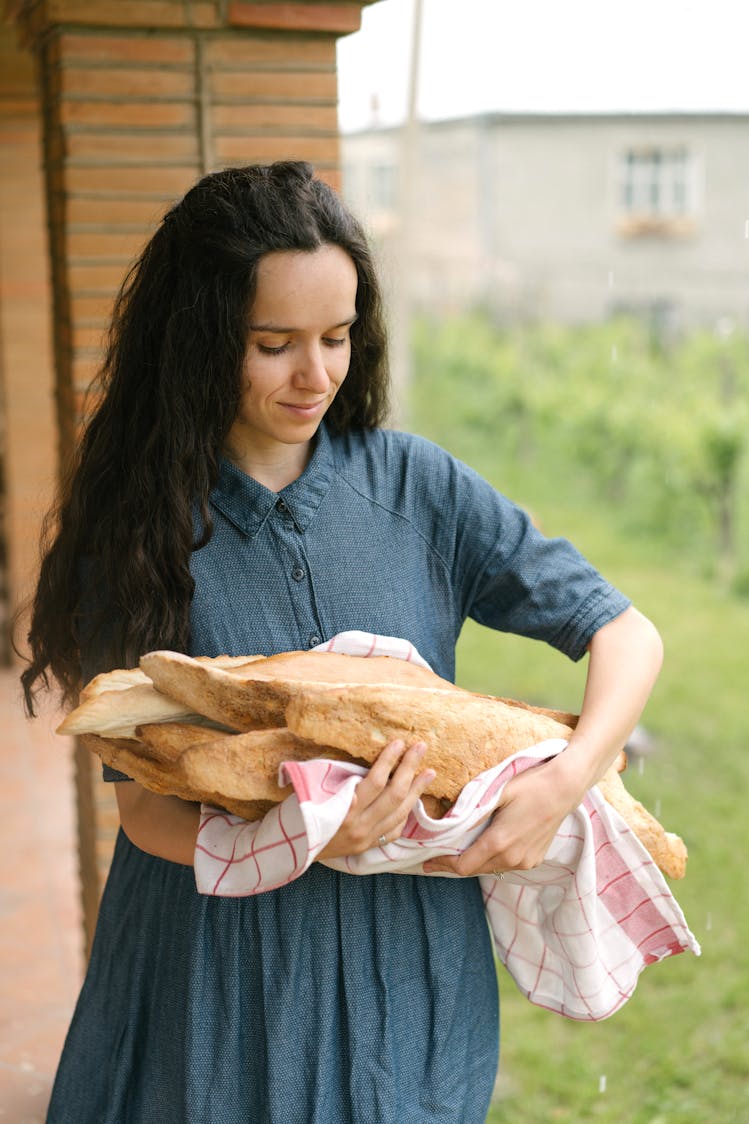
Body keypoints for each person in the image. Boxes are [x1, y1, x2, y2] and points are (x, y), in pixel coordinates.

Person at [20, 161, 663, 1124]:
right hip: (218, 967)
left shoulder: (419, 488)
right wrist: (296, 840)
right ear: (198, 343)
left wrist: (566, 780)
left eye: (337, 336)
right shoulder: (145, 527)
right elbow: (146, 815)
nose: (316, 375)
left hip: (406, 962)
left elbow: (623, 630)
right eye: (273, 344)